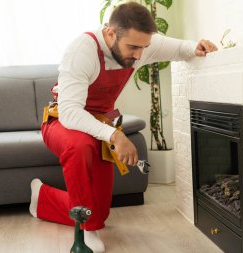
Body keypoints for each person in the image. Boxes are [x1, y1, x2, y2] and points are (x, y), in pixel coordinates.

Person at [29, 2, 218, 252]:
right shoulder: (82, 50)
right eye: (133, 47)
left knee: (101, 212)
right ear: (110, 33)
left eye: (144, 47)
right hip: (62, 121)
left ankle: (42, 199)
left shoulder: (140, 44)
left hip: (99, 124)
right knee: (81, 145)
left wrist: (198, 47)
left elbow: (181, 48)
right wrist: (114, 136)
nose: (140, 55)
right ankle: (84, 231)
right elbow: (70, 113)